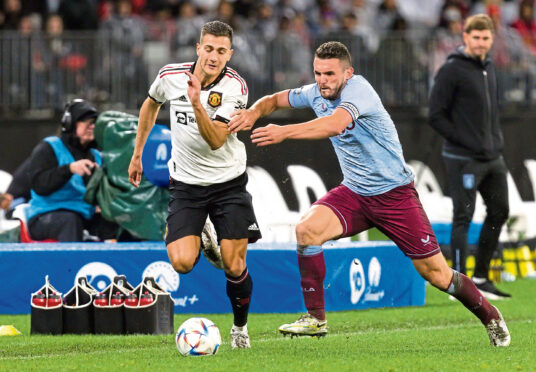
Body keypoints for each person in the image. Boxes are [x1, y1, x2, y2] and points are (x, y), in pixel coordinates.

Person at [228, 41, 510, 347]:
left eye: (330, 74)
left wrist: (284, 132)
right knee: (307, 230)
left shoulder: (359, 91)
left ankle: (490, 316)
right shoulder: (315, 92)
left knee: (437, 274)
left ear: (348, 73)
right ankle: (315, 319)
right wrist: (254, 112)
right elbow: (273, 100)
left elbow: (336, 125)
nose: (322, 80)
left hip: (395, 196)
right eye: (318, 73)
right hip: (355, 194)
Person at [128, 20, 261, 349]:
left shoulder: (235, 88)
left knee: (234, 264)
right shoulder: (170, 76)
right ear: (198, 48)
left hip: (227, 183)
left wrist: (197, 103)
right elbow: (150, 104)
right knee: (182, 263)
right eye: (208, 48)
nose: (213, 56)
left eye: (221, 51)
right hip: (186, 185)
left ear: (229, 54)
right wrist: (137, 154)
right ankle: (201, 232)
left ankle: (240, 328)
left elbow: (216, 139)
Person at [428, 14, 511, 300]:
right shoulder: (452, 69)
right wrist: (465, 140)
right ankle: (460, 285)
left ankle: (482, 277)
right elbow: (435, 115)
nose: (480, 42)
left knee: (500, 211)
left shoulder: (488, 67)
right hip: (462, 158)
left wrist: (492, 141)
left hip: (491, 156)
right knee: (463, 216)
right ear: (465, 37)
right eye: (475, 37)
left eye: (485, 38)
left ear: (491, 40)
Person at [26, 99, 104, 241]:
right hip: (45, 215)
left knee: (116, 222)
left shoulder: (96, 155)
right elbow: (39, 185)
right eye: (86, 122)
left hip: (83, 214)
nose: (92, 126)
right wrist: (69, 169)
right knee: (70, 220)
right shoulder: (49, 147)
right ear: (69, 124)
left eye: (94, 123)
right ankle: (71, 263)